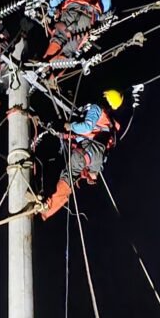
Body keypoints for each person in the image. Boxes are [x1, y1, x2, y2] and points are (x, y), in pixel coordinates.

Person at [40, 89, 124, 220]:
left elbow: (87, 127)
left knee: (67, 175)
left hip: (88, 151)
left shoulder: (97, 108)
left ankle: (46, 207)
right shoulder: (109, 125)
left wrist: (70, 126)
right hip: (94, 158)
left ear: (105, 97)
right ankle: (46, 210)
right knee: (68, 175)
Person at [42, 0, 112, 60]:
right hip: (82, 18)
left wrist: (52, 10)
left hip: (77, 14)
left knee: (64, 41)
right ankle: (53, 61)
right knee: (69, 44)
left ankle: (51, 61)